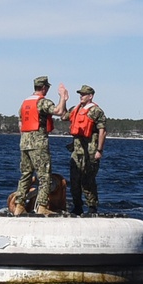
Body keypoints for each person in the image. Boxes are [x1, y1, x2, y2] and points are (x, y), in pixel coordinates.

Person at [12, 76, 68, 216]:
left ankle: (19, 205)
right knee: (44, 176)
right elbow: (59, 112)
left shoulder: (25, 103)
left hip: (24, 143)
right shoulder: (42, 102)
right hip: (38, 143)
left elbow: (20, 124)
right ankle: (42, 206)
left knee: (26, 174)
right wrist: (63, 97)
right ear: (44, 88)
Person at [62, 84, 107, 215]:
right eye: (80, 94)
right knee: (74, 180)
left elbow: (102, 131)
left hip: (90, 151)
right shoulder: (75, 109)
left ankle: (92, 207)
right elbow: (64, 116)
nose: (81, 96)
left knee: (88, 180)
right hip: (77, 151)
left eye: (84, 94)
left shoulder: (96, 111)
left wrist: (99, 150)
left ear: (90, 96)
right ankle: (77, 206)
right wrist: (64, 99)